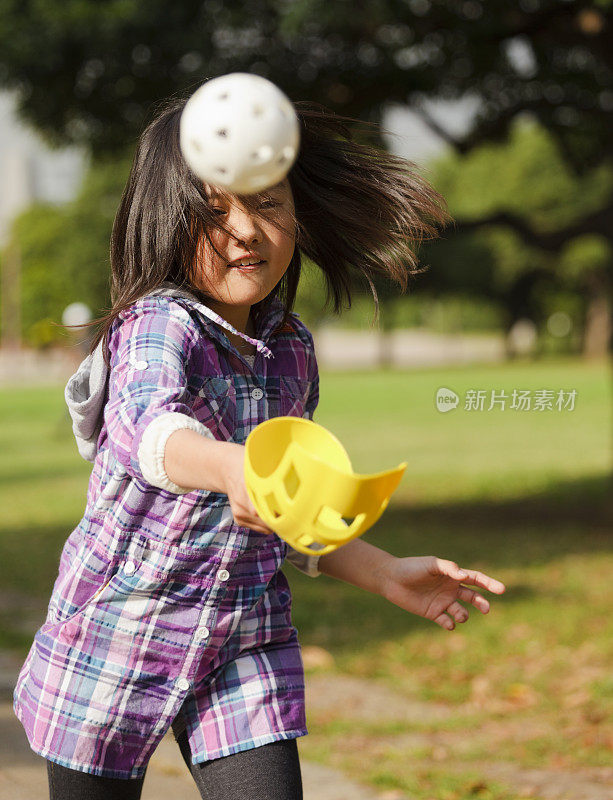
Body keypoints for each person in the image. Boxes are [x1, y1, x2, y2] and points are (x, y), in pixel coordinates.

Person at [13, 94, 506, 800]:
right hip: (117, 638)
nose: (245, 230)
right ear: (166, 223)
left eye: (267, 205)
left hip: (240, 640)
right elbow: (150, 431)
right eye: (213, 213)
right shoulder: (156, 327)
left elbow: (290, 513)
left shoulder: (291, 352)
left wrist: (384, 572)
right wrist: (231, 465)